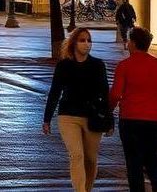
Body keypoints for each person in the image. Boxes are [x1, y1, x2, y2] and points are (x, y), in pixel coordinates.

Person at [110, 26, 157, 192]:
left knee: (134, 162)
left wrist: (107, 112)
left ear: (133, 43)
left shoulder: (124, 66)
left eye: (128, 41)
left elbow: (115, 94)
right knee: (153, 158)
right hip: (156, 121)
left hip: (131, 119)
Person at [42, 27, 110, 192]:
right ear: (73, 44)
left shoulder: (98, 65)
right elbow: (55, 92)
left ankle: (87, 188)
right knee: (77, 155)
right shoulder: (64, 66)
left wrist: (110, 120)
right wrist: (47, 118)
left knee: (91, 159)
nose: (86, 44)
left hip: (92, 117)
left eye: (89, 40)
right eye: (82, 40)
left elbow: (105, 93)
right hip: (68, 116)